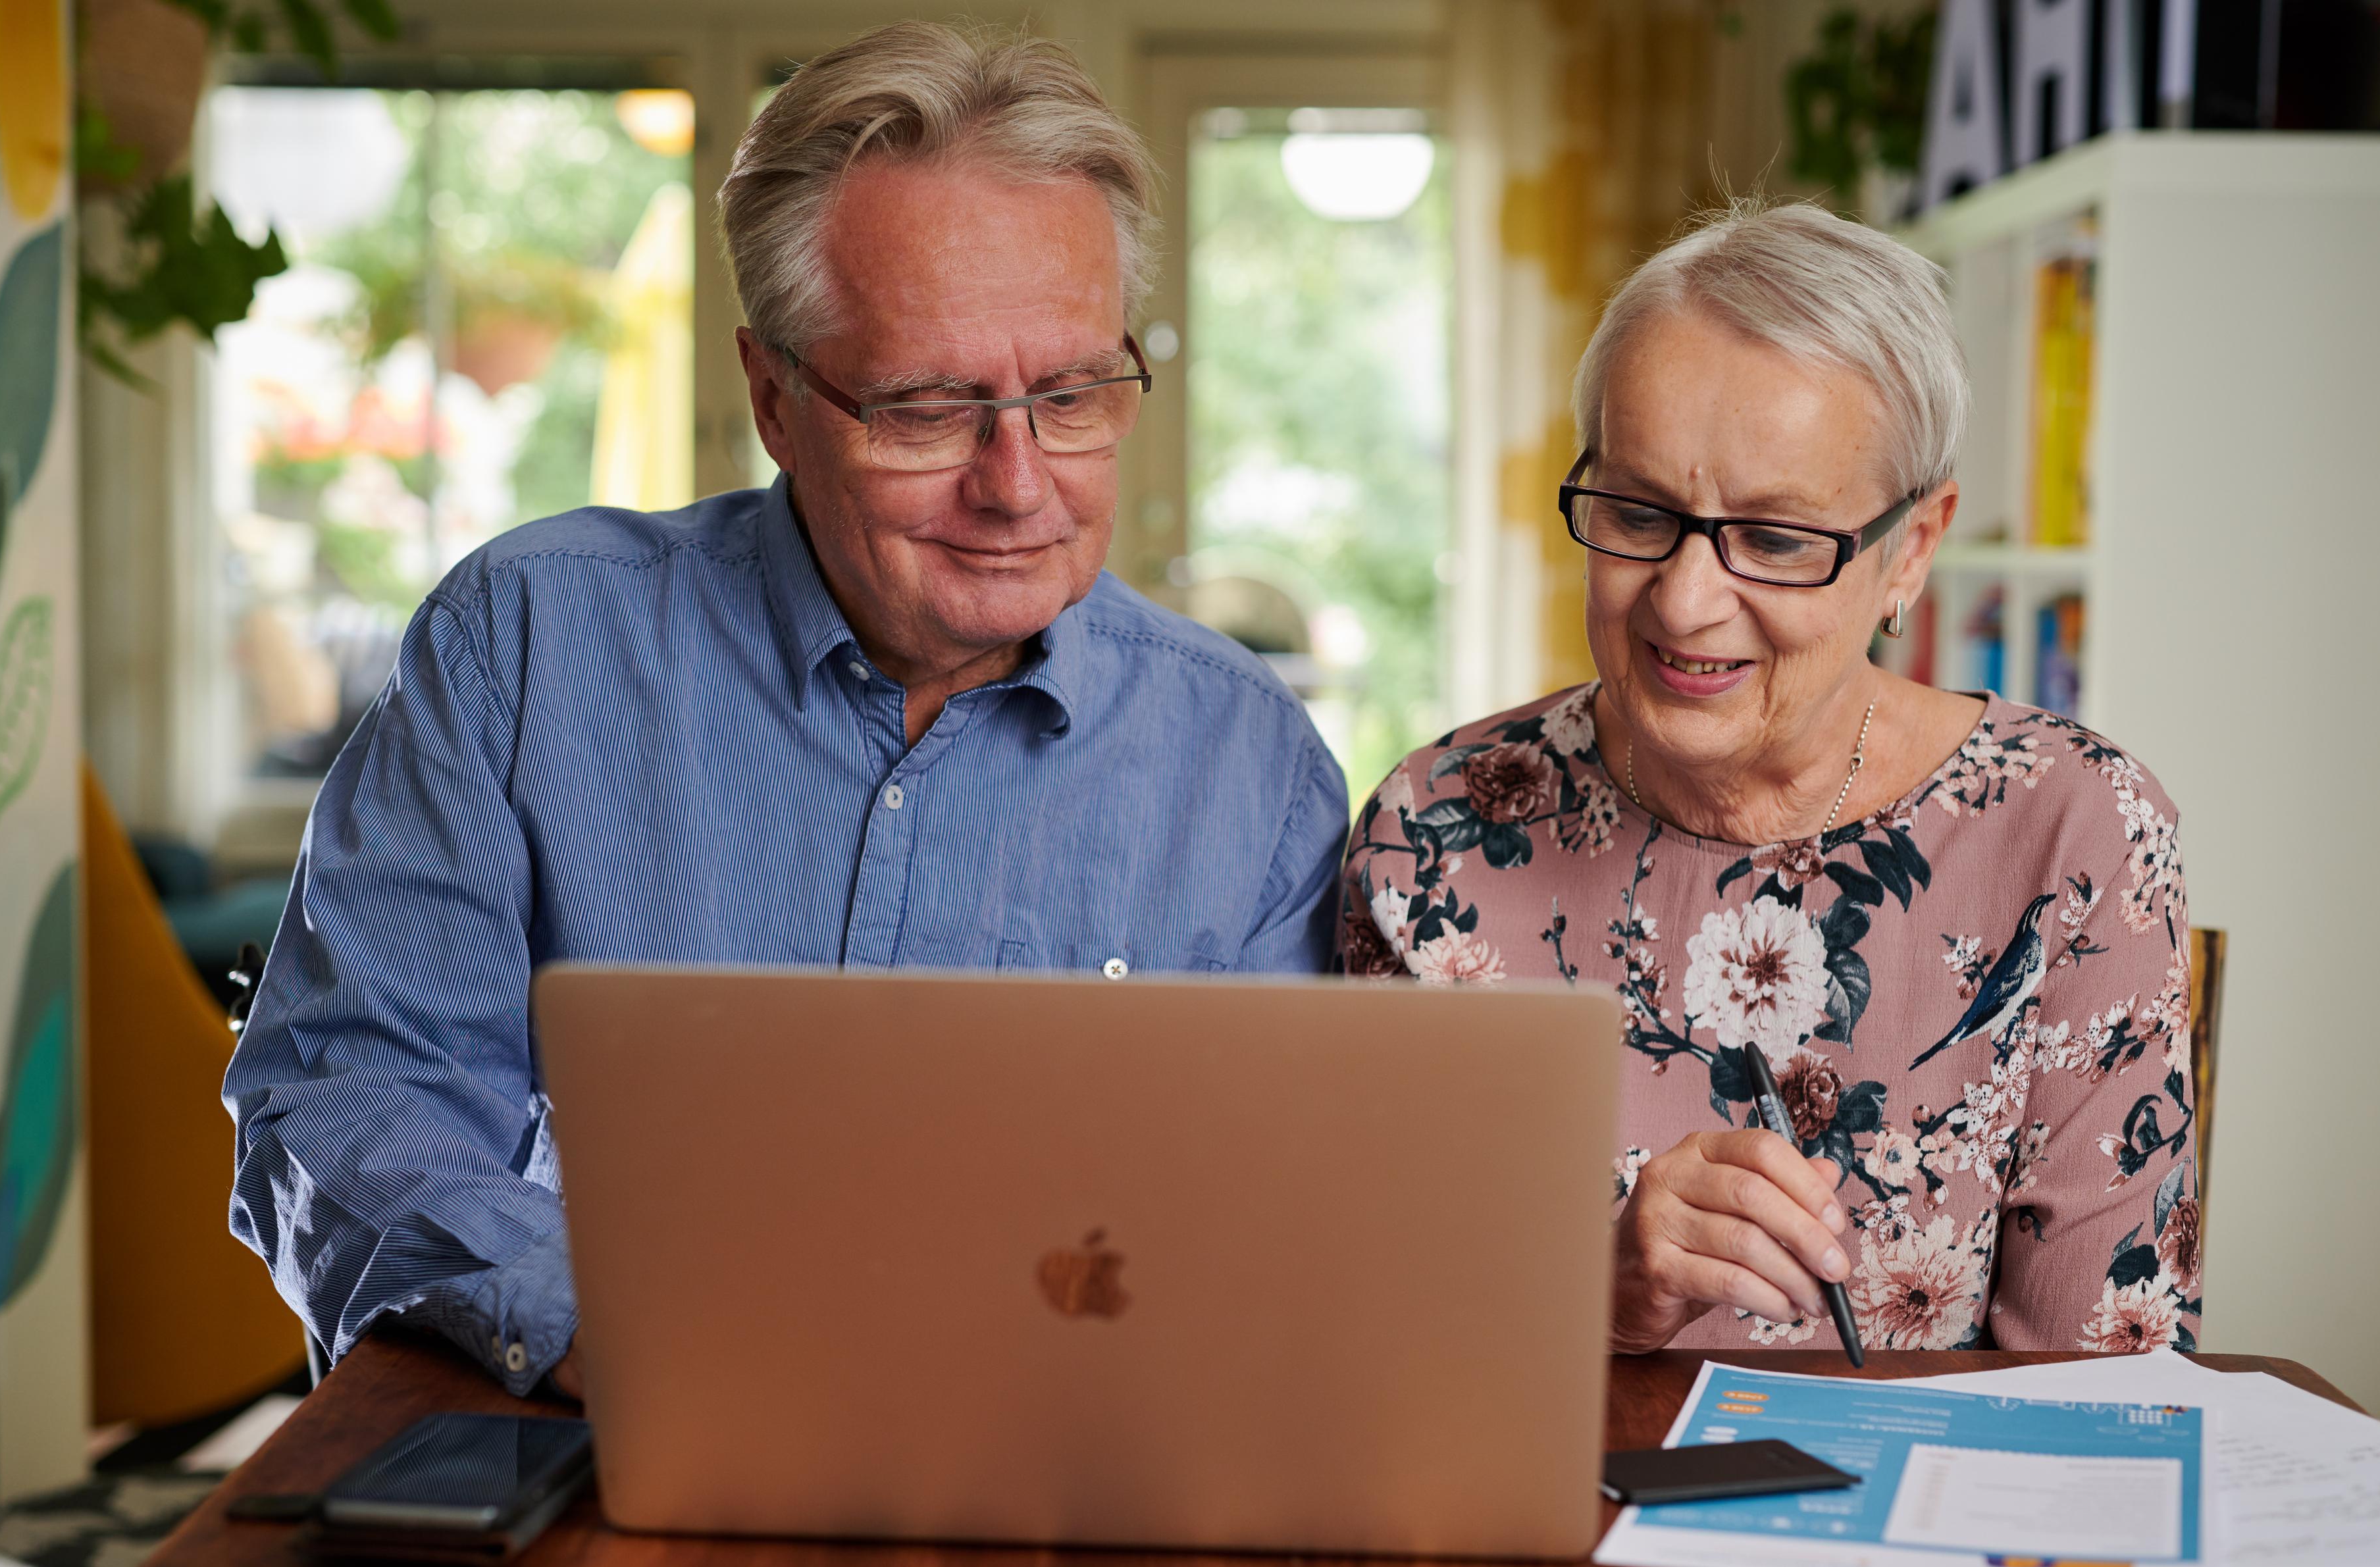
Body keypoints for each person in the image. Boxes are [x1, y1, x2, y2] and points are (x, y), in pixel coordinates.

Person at [226, 22, 1347, 1399]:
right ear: (771, 396)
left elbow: (1269, 1231)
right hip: (600, 1431)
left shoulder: (1251, 766)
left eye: (1068, 394)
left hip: (1066, 1462)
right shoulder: (523, 647)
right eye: (931, 408)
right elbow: (344, 1097)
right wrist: (621, 1323)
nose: (1017, 482)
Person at [1341, 200, 2197, 1355]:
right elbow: (1363, 1338)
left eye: (1779, 538)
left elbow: (2107, 1394)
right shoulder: (1433, 832)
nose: (1686, 601)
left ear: (1912, 551)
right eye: (1640, 512)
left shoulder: (2076, 830)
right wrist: (1599, 1299)